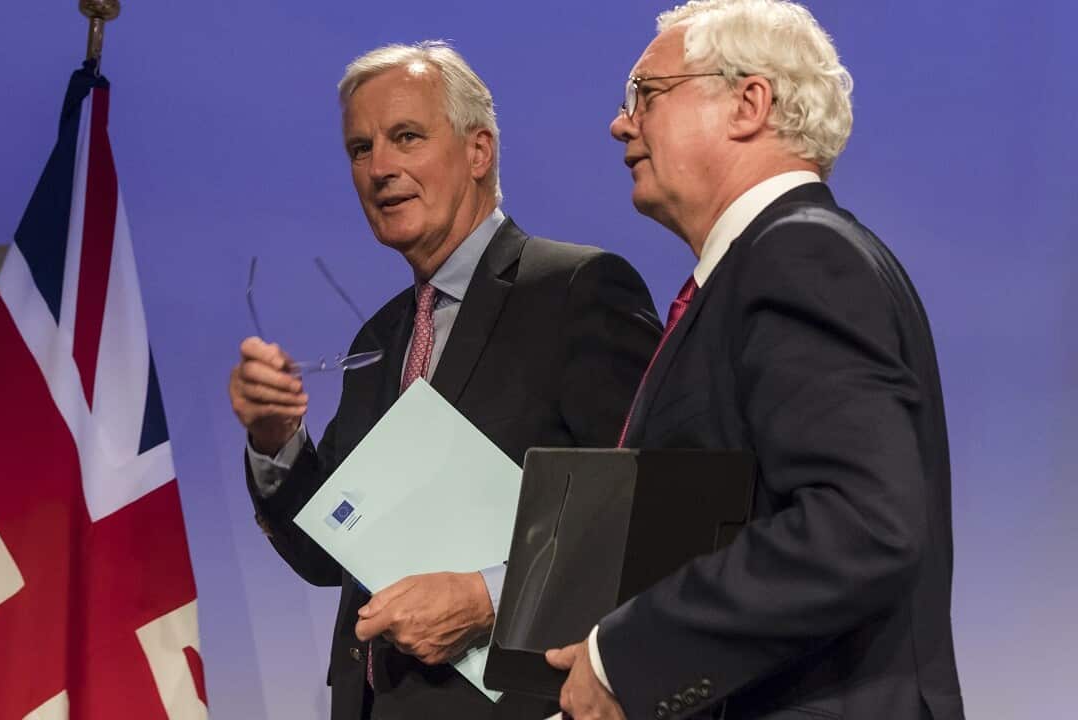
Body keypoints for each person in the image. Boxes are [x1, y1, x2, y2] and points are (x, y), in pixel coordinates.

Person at [544, 2, 966, 719]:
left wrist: (624, 658)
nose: (622, 123)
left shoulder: (800, 255)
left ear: (749, 103)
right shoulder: (778, 261)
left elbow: (860, 522)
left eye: (645, 94)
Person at [229, 41, 661, 720]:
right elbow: (326, 558)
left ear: (479, 150)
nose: (380, 169)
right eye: (359, 148)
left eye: (406, 137)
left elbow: (648, 514)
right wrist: (275, 441)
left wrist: (487, 597)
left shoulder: (575, 290)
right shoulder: (378, 338)